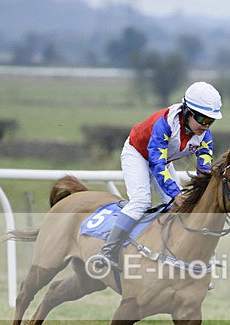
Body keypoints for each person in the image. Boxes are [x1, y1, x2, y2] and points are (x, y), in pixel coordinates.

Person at [90, 81, 222, 272]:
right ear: (187, 112)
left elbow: (204, 171)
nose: (206, 125)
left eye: (211, 121)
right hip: (138, 154)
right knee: (141, 202)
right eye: (202, 119)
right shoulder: (165, 124)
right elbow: (156, 164)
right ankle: (107, 252)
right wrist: (176, 193)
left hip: (162, 161)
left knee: (180, 207)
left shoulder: (205, 137)